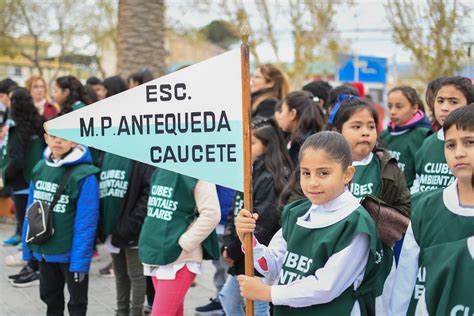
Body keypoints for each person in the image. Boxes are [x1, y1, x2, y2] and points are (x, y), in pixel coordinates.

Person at [235, 131, 389, 315]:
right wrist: (249, 240)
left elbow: (326, 287)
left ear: (347, 174)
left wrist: (269, 293)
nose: (312, 182)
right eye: (306, 173)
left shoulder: (356, 224)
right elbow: (274, 268)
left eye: (323, 173)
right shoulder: (297, 212)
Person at [389, 105, 474, 316]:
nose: (459, 153)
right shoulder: (426, 206)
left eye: (470, 142)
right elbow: (405, 280)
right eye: (451, 145)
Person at [22, 124, 100, 316]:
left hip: (70, 253)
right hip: (44, 250)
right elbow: (30, 212)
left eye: (64, 137)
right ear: (46, 138)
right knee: (51, 299)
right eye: (54, 136)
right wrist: (28, 251)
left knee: (77, 304)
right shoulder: (40, 167)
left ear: (74, 141)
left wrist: (80, 262)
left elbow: (86, 223)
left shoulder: (85, 174)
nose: (58, 141)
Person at [219, 117, 293, 316]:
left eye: (251, 143)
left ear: (267, 146)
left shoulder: (272, 177)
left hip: (257, 254)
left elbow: (261, 223)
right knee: (230, 300)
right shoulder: (248, 171)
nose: (246, 147)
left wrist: (234, 251)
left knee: (256, 306)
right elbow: (234, 211)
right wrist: (228, 244)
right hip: (240, 250)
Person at [330, 97, 410, 268]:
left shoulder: (388, 167)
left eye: (371, 126)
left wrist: (374, 212)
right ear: (338, 132)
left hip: (376, 256)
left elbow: (405, 210)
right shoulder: (325, 165)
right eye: (356, 127)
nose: (365, 132)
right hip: (333, 252)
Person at [138, 169, 221, 316]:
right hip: (156, 251)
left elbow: (212, 214)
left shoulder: (200, 171)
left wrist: (185, 242)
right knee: (174, 312)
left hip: (181, 257)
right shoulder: (161, 168)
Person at [99, 150, 155, 316]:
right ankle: (122, 311)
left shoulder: (140, 155)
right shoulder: (106, 154)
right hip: (112, 228)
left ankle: (135, 312)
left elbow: (148, 192)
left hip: (132, 228)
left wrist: (132, 223)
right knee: (120, 274)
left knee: (136, 275)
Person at [1, 88, 45, 269]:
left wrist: (3, 176)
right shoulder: (40, 123)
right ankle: (35, 263)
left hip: (21, 184)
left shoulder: (16, 129)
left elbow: (16, 161)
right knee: (38, 225)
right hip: (39, 180)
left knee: (26, 224)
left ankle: (30, 264)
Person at [411, 76, 473, 193]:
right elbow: (417, 185)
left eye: (453, 102)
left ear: (470, 105)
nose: (444, 108)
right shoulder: (427, 142)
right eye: (440, 101)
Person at [380, 86, 432, 188]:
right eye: (390, 106)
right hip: (385, 198)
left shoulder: (423, 135)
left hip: (410, 198)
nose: (392, 111)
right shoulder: (384, 135)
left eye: (399, 106)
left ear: (414, 108)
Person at [277, 91, 324, 165]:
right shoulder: (314, 137)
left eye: (282, 111)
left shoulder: (301, 145)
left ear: (293, 114)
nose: (279, 116)